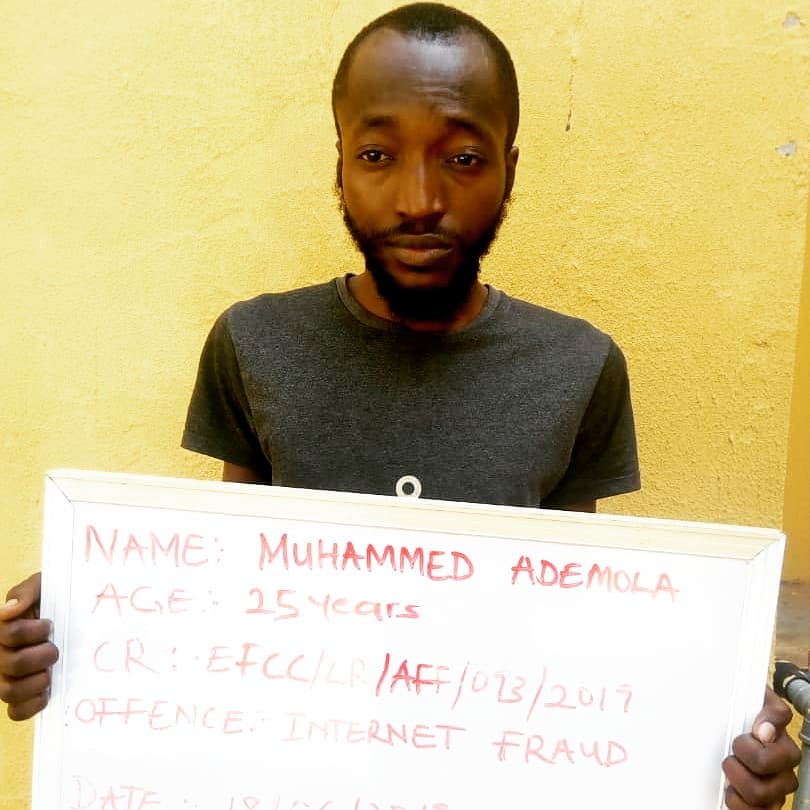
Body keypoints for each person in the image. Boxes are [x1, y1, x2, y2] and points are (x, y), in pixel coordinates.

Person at [0, 3, 800, 807]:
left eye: (462, 158)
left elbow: (576, 625)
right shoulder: (254, 342)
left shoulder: (579, 366)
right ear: (340, 165)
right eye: (378, 154)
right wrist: (84, 632)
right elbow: (225, 596)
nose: (419, 199)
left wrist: (718, 739)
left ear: (509, 169)